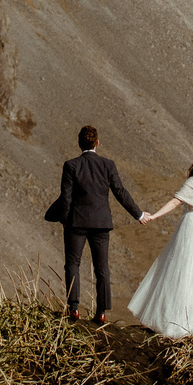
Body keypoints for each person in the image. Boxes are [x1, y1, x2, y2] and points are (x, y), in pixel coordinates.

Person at [127, 150, 193, 338]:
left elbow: (175, 202)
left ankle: (175, 318)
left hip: (191, 225)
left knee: (181, 269)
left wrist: (154, 215)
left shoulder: (192, 182)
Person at [57, 125, 147, 325]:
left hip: (76, 222)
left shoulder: (71, 165)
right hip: (101, 223)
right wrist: (138, 214)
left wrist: (64, 219)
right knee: (102, 268)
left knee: (73, 264)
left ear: (79, 143)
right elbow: (120, 192)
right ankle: (102, 312)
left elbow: (66, 198)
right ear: (97, 143)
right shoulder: (108, 165)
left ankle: (73, 308)